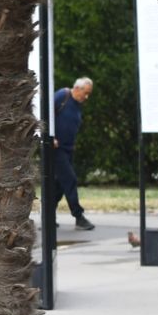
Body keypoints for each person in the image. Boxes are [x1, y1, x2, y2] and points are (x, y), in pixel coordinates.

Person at [50, 76, 96, 230]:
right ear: (77, 89)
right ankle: (79, 217)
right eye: (86, 93)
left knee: (60, 185)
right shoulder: (63, 95)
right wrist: (50, 137)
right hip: (56, 149)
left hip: (68, 149)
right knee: (70, 180)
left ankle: (49, 216)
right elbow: (44, 114)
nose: (87, 97)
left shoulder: (77, 104)